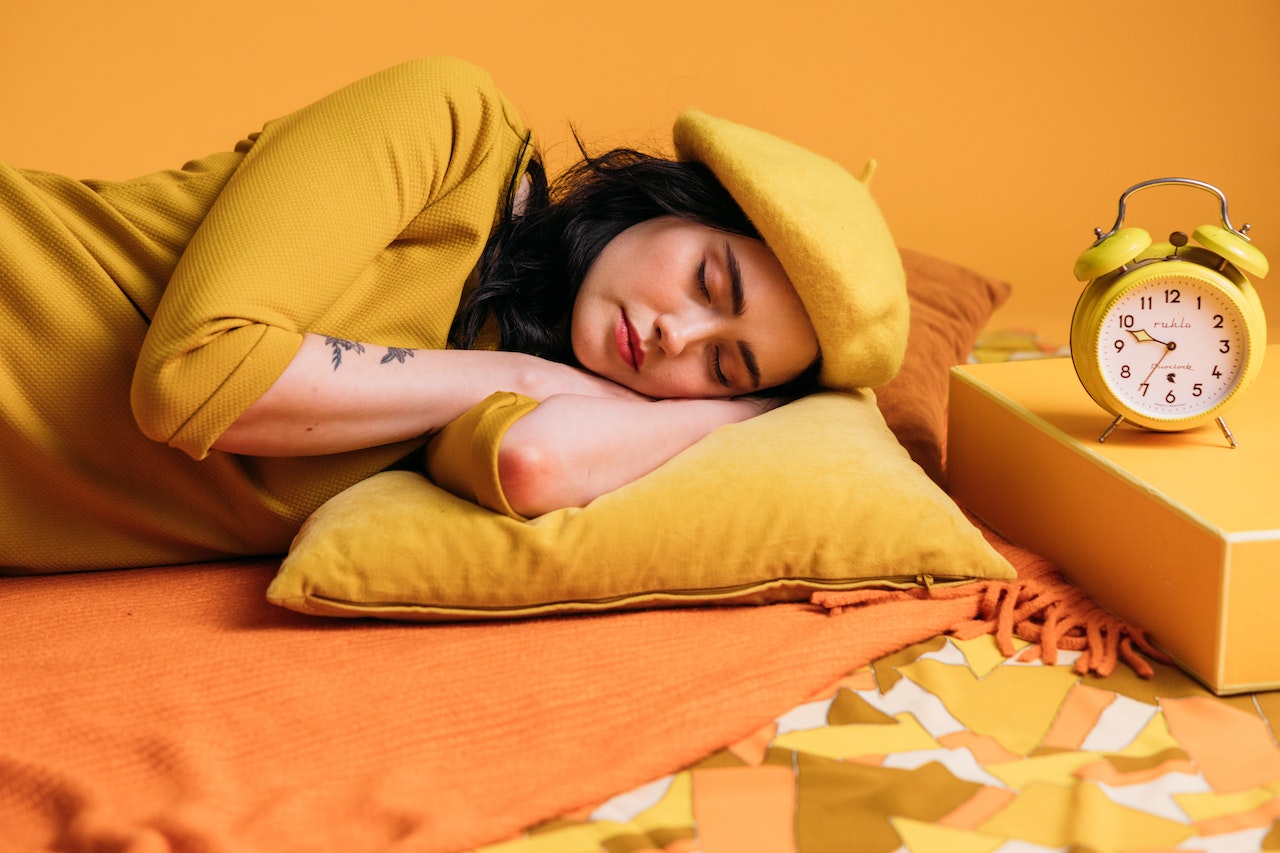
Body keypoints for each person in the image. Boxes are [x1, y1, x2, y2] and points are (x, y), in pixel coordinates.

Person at [0, 57, 906, 574]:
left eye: (725, 363)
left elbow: (533, 462)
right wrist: (519, 376)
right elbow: (195, 376)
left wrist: (737, 415)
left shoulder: (541, 388)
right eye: (711, 283)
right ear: (668, 200)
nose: (680, 337)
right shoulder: (455, 129)